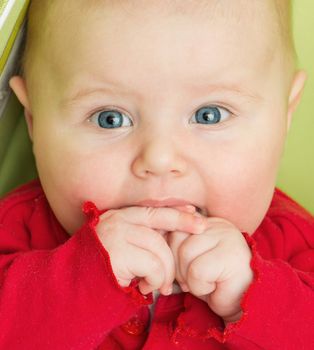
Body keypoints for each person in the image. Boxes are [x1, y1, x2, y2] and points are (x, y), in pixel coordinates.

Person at [1, 0, 313, 348]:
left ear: (284, 116)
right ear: (34, 121)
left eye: (209, 114)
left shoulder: (301, 255)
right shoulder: (13, 239)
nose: (160, 159)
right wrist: (83, 280)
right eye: (110, 118)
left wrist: (254, 294)